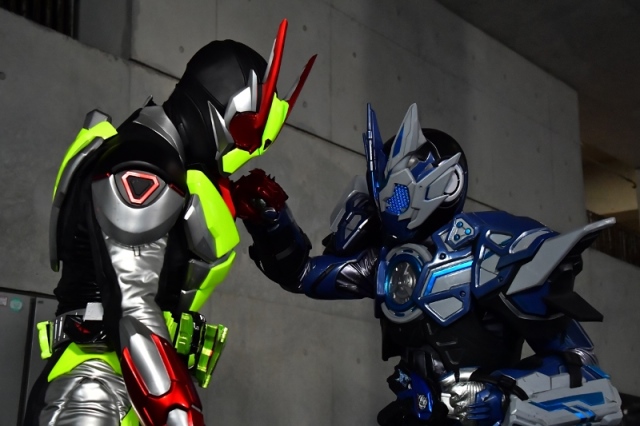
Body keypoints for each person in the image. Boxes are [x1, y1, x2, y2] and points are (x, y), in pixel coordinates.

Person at [236, 103, 623, 425]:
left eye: (398, 189)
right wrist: (271, 221)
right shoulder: (391, 263)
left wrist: (502, 397)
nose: (390, 201)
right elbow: (303, 274)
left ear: (446, 183)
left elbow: (585, 372)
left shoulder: (498, 249)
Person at [24, 19, 315, 426]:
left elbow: (295, 268)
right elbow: (132, 310)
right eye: (245, 134)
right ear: (223, 108)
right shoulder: (142, 164)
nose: (244, 151)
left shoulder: (177, 172)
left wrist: (270, 220)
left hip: (129, 386)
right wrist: (179, 413)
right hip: (94, 389)